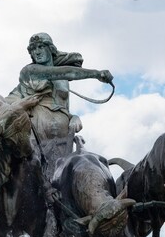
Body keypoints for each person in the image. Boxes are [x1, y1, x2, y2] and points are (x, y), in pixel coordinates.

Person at [8, 33, 113, 169]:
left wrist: (73, 117)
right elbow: (68, 72)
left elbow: (63, 108)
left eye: (41, 47)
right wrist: (96, 74)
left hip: (62, 138)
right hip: (37, 132)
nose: (37, 52)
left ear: (51, 49)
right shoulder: (30, 71)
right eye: (33, 49)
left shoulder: (63, 81)